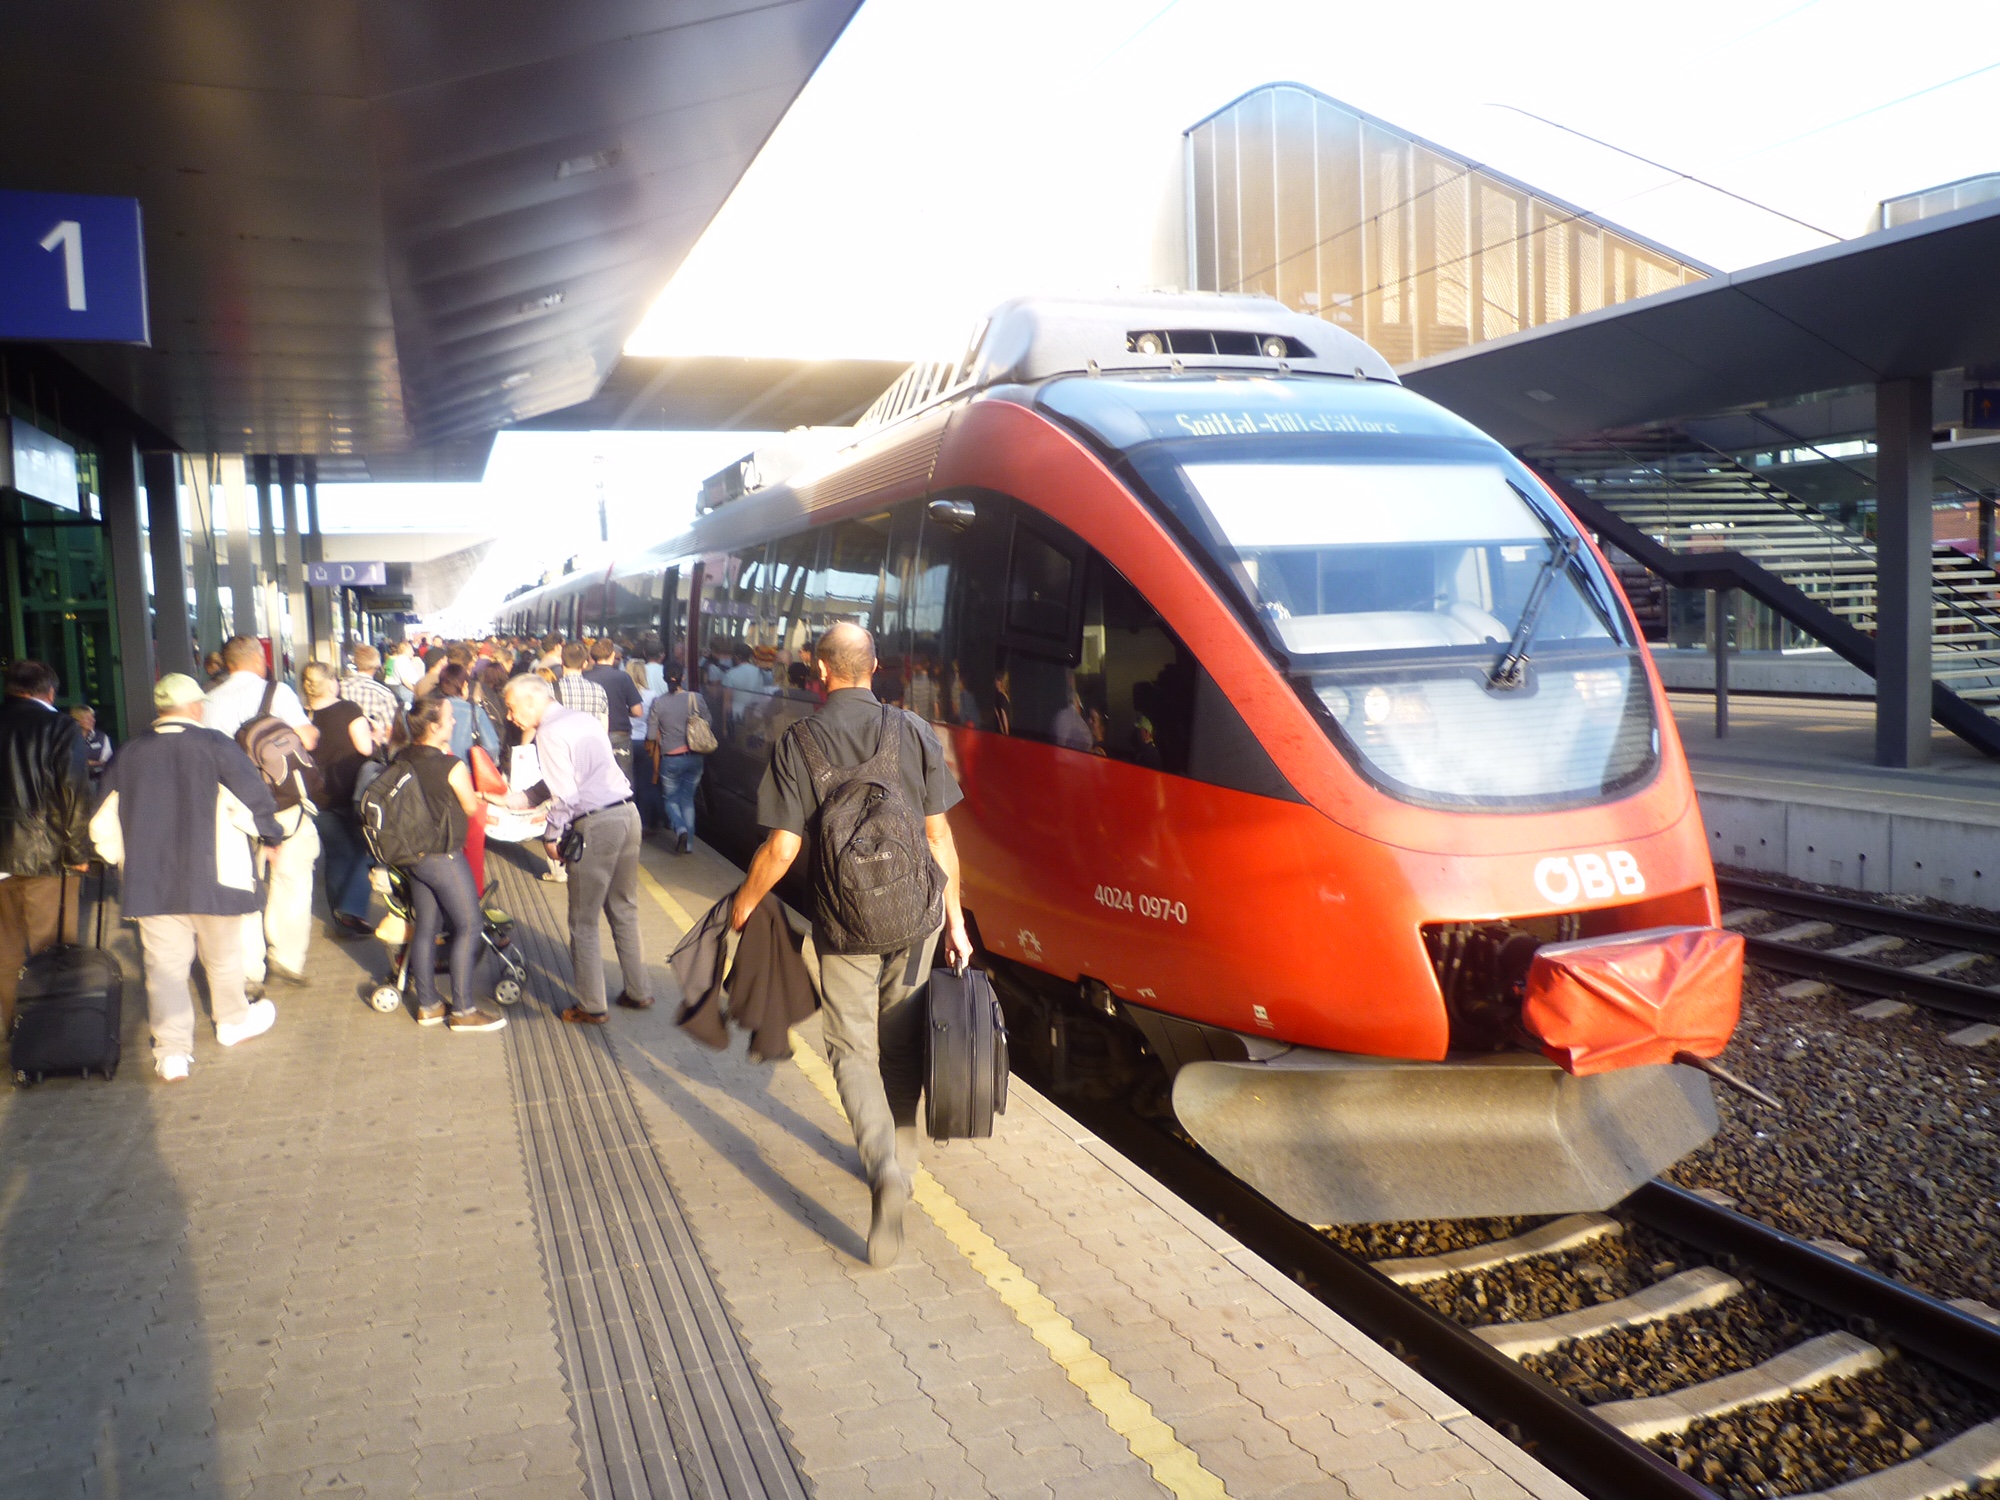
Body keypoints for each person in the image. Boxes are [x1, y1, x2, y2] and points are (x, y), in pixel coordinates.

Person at [730, 622, 971, 1266]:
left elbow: (782, 849)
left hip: (844, 923)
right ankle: (904, 1164)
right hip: (915, 916)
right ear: (875, 668)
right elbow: (939, 838)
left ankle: (881, 1168)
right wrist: (957, 921)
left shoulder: (799, 741)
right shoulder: (912, 730)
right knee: (901, 1045)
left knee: (850, 1049)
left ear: (820, 672)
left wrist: (743, 907)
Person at [89, 673, 283, 1082]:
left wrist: (120, 859)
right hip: (216, 875)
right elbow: (253, 804)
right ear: (196, 706)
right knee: (224, 957)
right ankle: (231, 1021)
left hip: (150, 881)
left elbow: (102, 819)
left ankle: (172, 1051)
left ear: (161, 709)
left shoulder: (129, 753)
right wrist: (270, 836)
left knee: (164, 967)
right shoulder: (216, 746)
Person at [492, 675, 652, 1022]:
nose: (508, 715)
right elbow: (554, 783)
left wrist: (550, 836)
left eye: (510, 706)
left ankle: (592, 1006)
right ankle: (639, 992)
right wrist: (509, 800)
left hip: (596, 826)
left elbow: (567, 796)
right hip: (627, 814)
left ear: (532, 701)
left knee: (583, 921)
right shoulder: (580, 718)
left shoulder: (548, 733)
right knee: (625, 908)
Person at [203, 636, 322, 990]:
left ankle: (249, 971)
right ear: (258, 658)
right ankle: (286, 957)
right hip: (280, 803)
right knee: (292, 880)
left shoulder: (207, 699)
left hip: (229, 806)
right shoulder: (277, 693)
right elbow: (307, 741)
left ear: (227, 663)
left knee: (242, 885)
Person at [391, 698, 506, 1032]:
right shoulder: (451, 765)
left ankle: (428, 1005)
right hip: (443, 856)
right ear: (434, 726)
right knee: (470, 926)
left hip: (413, 856)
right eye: (449, 719)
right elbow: (469, 807)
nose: (454, 723)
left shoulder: (400, 758)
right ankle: (463, 1010)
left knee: (426, 926)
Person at [0, 660, 91, 1037]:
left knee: (4, 949)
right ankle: (50, 1034)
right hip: (46, 855)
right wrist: (79, 852)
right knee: (51, 950)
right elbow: (72, 792)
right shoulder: (59, 727)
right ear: (50, 691)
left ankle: (12, 1027)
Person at [301, 662, 375, 938]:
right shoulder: (349, 710)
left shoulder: (303, 714)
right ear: (332, 682)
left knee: (336, 853)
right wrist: (377, 735)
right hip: (353, 791)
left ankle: (341, 917)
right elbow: (365, 747)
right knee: (362, 849)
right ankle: (352, 910)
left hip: (318, 794)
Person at [646, 667, 711, 855]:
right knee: (688, 799)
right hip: (695, 757)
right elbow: (708, 722)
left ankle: (680, 828)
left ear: (665, 680)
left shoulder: (659, 703)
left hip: (671, 758)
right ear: (683, 677)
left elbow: (651, 734)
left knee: (670, 800)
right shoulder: (695, 698)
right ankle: (689, 844)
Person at [584, 639, 643, 782]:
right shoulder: (622, 677)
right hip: (619, 735)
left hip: (591, 735)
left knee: (595, 778)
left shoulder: (584, 677)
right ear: (612, 655)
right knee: (623, 780)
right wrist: (622, 711)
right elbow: (637, 711)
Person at [340, 643, 399, 741]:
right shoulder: (383, 693)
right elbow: (392, 728)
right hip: (374, 747)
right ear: (377, 664)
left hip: (343, 746)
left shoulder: (340, 687)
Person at [555, 642, 610, 731]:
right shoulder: (598, 690)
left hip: (560, 742)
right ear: (585, 664)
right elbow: (604, 727)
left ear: (561, 661)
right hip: (590, 742)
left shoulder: (550, 689)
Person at [69, 704, 113, 784]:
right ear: (77, 719)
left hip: (98, 782)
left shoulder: (102, 737)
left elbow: (108, 762)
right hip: (73, 784)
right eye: (87, 718)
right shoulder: (67, 738)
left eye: (93, 717)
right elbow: (65, 762)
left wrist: (85, 763)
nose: (93, 720)